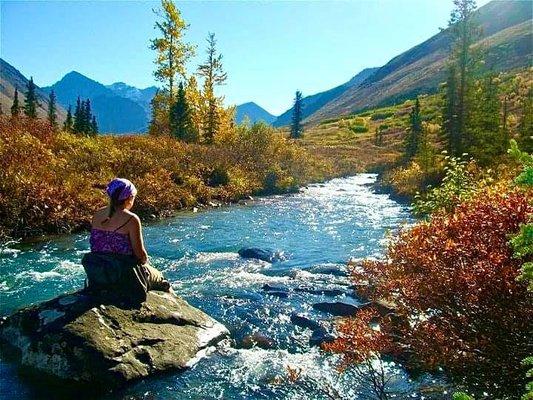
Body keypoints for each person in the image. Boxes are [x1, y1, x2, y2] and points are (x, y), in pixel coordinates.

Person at [87, 178, 171, 294]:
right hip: (123, 275)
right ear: (129, 198)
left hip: (100, 273)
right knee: (161, 278)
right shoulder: (131, 219)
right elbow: (140, 255)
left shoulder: (97, 214)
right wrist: (146, 263)